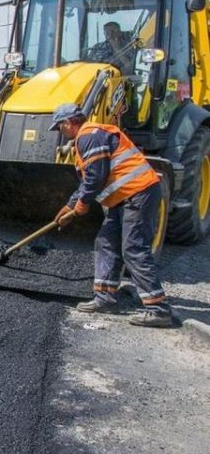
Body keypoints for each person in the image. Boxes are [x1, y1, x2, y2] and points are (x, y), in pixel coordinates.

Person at [50, 103, 172, 328]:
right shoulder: (90, 137)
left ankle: (158, 309)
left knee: (133, 248)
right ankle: (105, 298)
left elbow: (96, 177)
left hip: (138, 193)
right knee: (106, 241)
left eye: (59, 127)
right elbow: (88, 179)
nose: (60, 133)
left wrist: (81, 207)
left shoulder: (88, 136)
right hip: (122, 198)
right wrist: (70, 205)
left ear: (68, 122)